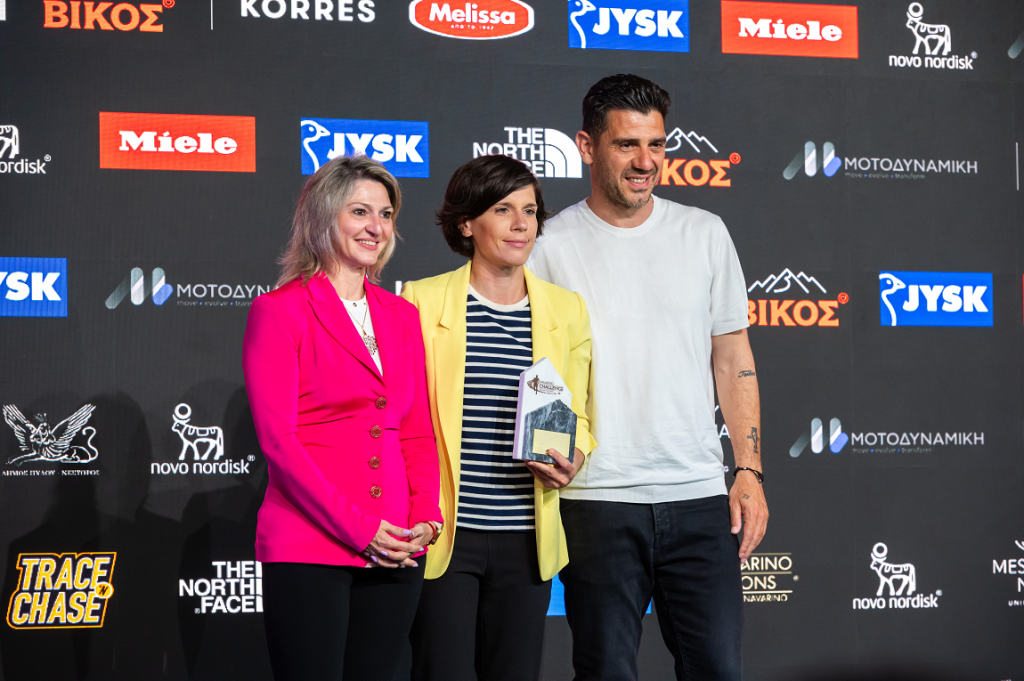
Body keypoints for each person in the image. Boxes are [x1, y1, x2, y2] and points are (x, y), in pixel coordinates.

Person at [527, 74, 768, 681]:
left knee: (718, 669)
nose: (645, 161)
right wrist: (550, 451)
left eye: (656, 144)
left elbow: (733, 358)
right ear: (587, 147)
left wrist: (748, 470)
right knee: (606, 672)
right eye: (627, 145)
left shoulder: (705, 233)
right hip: (595, 500)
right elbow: (535, 364)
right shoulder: (546, 243)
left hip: (698, 497)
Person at [242, 155, 443, 681]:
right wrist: (361, 529)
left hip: (396, 545)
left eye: (386, 214)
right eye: (359, 211)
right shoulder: (279, 311)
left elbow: (416, 431)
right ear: (322, 217)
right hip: (310, 542)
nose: (376, 226)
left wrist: (426, 516)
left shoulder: (402, 315)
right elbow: (280, 443)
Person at [401, 154, 597, 681]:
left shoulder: (567, 310)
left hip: (527, 538)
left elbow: (580, 413)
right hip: (446, 534)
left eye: (529, 212)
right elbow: (404, 417)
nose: (521, 225)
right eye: (503, 210)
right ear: (467, 223)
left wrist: (575, 455)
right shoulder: (419, 301)